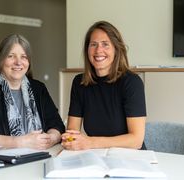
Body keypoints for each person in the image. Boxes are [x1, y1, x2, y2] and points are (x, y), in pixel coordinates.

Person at [0, 34, 65, 151]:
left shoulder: (38, 89)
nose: (18, 62)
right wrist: (20, 142)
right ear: (0, 60)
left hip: (34, 158)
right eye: (11, 56)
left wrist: (50, 138)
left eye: (24, 57)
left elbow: (57, 125)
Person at [61, 21, 146, 150]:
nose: (98, 50)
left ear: (116, 49)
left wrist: (90, 142)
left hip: (130, 158)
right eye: (93, 44)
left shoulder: (132, 82)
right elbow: (72, 131)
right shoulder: (79, 83)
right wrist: (71, 140)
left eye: (105, 44)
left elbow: (136, 140)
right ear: (87, 50)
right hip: (96, 157)